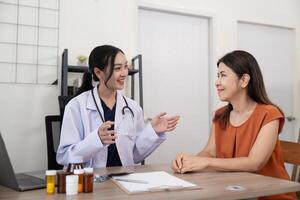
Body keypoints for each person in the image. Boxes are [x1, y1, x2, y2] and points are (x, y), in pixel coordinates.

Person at [171, 50, 296, 200]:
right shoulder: (220, 115)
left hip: (269, 195)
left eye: (223, 75)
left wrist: (205, 162)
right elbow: (209, 152)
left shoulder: (269, 114)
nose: (217, 82)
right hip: (233, 193)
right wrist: (189, 162)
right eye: (218, 76)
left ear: (244, 80)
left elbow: (254, 163)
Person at [57, 45, 179, 168]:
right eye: (117, 68)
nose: (124, 73)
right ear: (99, 73)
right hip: (91, 181)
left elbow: (134, 156)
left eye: (125, 67)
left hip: (124, 179)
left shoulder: (132, 107)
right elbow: (65, 156)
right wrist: (96, 140)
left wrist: (153, 132)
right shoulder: (77, 106)